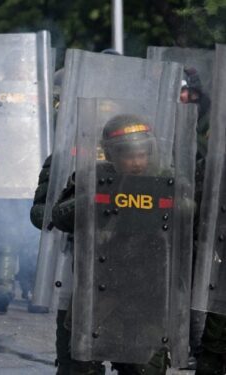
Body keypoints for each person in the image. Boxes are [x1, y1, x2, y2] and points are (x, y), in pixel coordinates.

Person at [52, 114, 174, 374]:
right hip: (99, 294)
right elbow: (59, 215)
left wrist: (171, 203)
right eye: (129, 155)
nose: (137, 162)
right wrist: (96, 199)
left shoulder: (166, 180)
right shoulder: (94, 178)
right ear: (110, 155)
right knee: (82, 367)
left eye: (142, 154)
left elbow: (192, 217)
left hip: (147, 298)